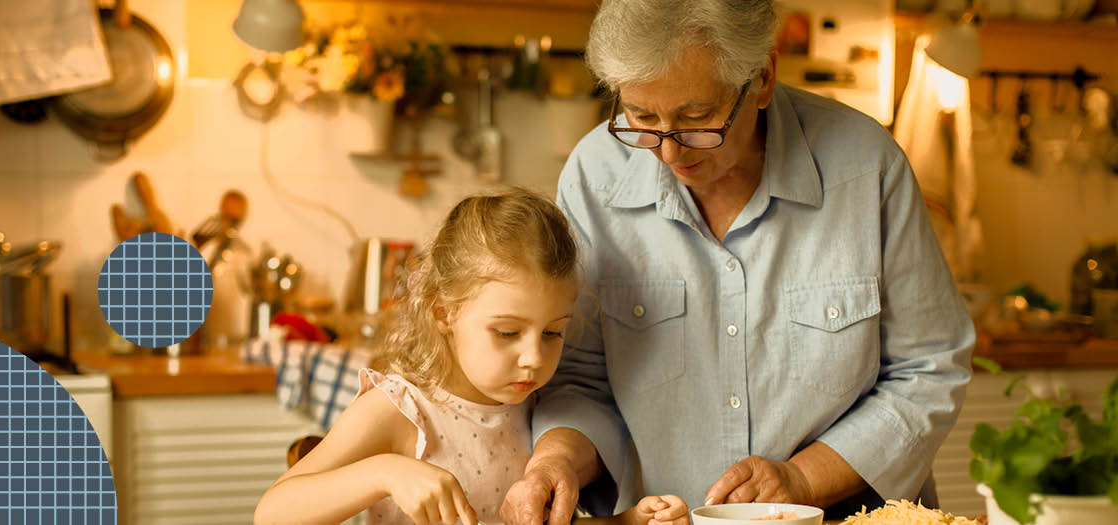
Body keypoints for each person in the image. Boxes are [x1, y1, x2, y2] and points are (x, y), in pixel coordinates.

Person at [500, 1, 976, 524]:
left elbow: (929, 368)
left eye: (697, 117)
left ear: (763, 77)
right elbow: (579, 380)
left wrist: (803, 478)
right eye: (641, 117)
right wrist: (554, 464)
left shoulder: (867, 167)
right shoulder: (596, 177)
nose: (669, 152)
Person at [253, 188, 690, 525]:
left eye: (554, 332)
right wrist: (384, 473)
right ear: (444, 313)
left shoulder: (538, 411)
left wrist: (629, 520)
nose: (533, 358)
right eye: (507, 332)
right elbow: (272, 512)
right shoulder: (400, 413)